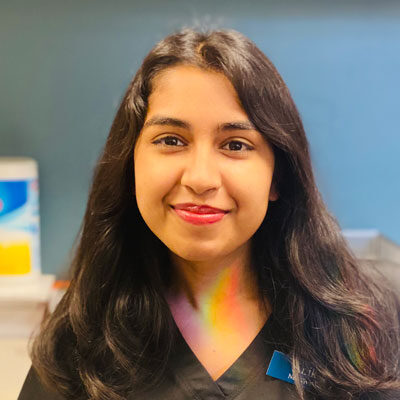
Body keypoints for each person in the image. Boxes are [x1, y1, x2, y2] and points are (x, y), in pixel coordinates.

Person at [18, 28, 400, 400]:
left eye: (235, 145)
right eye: (171, 140)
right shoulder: (81, 337)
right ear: (131, 166)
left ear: (277, 177)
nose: (200, 179)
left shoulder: (360, 326)